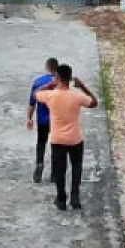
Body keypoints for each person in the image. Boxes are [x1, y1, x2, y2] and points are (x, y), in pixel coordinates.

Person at [33, 62, 98, 211]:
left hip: (58, 139)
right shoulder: (76, 96)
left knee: (60, 170)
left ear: (57, 77)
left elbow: (36, 94)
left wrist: (50, 84)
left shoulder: (50, 96)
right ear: (70, 78)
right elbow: (94, 103)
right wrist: (82, 86)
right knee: (76, 168)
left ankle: (61, 199)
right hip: (75, 139)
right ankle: (75, 197)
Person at [25, 57, 59, 183]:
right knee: (56, 145)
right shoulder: (60, 84)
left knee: (41, 143)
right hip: (56, 120)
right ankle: (54, 173)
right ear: (57, 68)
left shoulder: (38, 82)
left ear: (46, 67)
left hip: (42, 119)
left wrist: (29, 118)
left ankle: (39, 163)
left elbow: (32, 103)